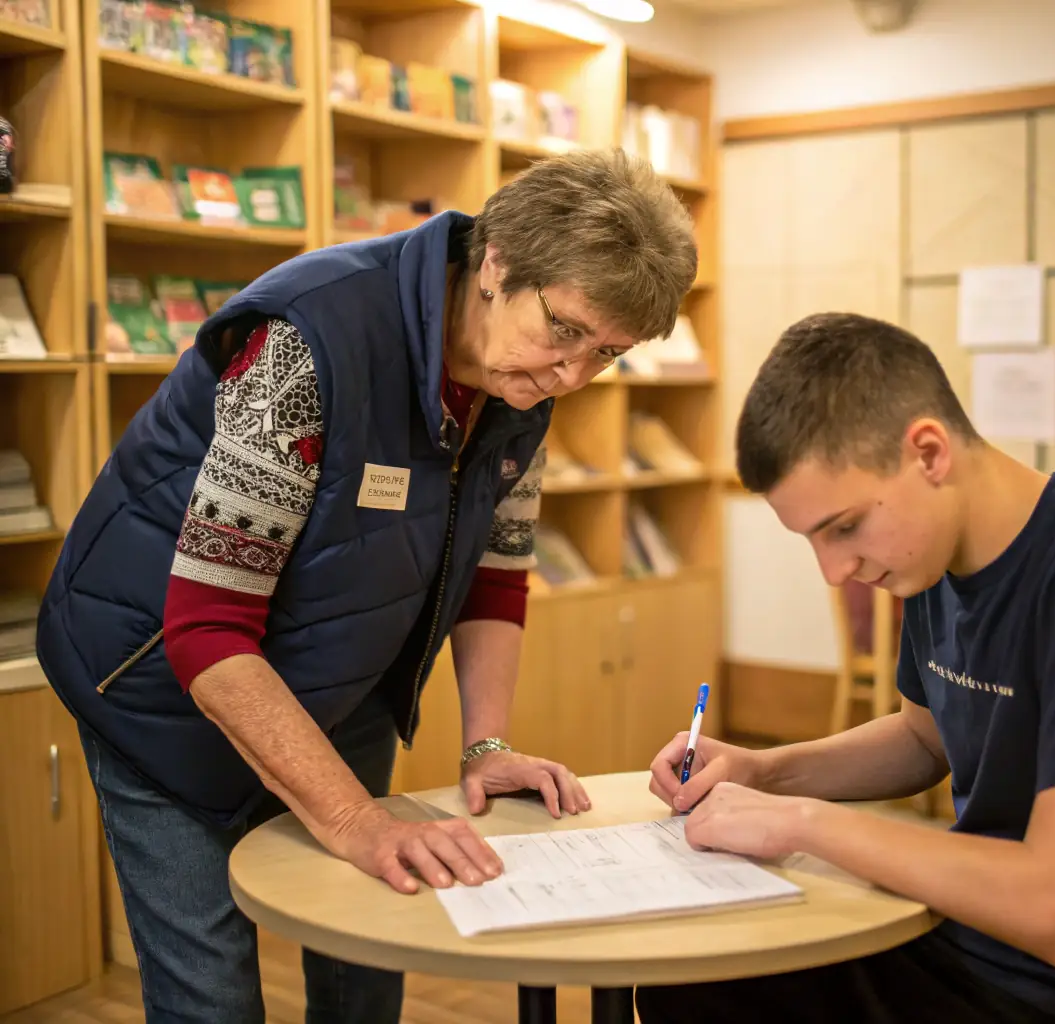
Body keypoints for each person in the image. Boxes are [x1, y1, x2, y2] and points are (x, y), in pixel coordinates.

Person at [36, 149, 697, 1024]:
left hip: (343, 675)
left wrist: (485, 746)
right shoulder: (307, 342)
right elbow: (207, 631)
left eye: (605, 354)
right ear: (496, 261)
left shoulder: (524, 381)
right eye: (566, 332)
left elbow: (495, 572)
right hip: (158, 685)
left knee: (369, 953)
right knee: (213, 995)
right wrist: (353, 820)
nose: (571, 376)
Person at [638, 313, 1055, 1024]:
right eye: (812, 541)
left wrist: (803, 823)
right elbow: (922, 740)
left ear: (929, 453)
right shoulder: (933, 561)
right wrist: (763, 770)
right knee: (692, 978)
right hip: (978, 943)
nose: (834, 571)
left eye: (843, 528)